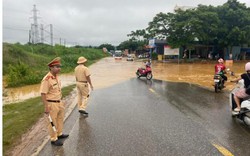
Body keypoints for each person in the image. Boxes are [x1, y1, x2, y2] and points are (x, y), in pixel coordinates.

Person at [40, 57, 69, 146]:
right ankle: (53, 139)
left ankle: (59, 134)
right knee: (52, 121)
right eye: (56, 67)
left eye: (59, 66)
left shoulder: (56, 77)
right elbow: (43, 93)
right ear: (51, 68)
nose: (59, 68)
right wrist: (46, 106)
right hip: (51, 103)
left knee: (60, 119)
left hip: (59, 102)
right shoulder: (47, 79)